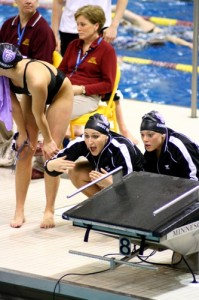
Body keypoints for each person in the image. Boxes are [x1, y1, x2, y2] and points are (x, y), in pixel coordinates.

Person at [0, 43, 73, 228]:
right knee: (24, 149)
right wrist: (22, 133)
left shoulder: (36, 80)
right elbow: (13, 105)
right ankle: (19, 210)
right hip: (30, 94)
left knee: (51, 154)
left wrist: (48, 141)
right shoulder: (5, 75)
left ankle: (49, 210)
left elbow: (39, 115)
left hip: (59, 93)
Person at [51, 0, 138, 143]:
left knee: (56, 112)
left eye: (83, 25)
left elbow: (108, 85)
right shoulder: (74, 45)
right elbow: (62, 71)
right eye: (77, 24)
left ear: (96, 26)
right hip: (66, 90)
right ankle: (47, 150)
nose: (78, 28)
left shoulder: (106, 50)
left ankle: (52, 151)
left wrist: (82, 89)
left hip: (87, 97)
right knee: (37, 104)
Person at [0, 0, 56, 176]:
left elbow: (43, 68)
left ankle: (23, 138)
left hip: (32, 83)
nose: (29, 1)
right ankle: (7, 142)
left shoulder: (43, 30)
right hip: (11, 79)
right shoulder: (9, 25)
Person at [45, 113, 144, 197]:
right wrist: (50, 165)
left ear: (106, 137)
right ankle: (102, 206)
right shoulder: (82, 142)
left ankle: (118, 208)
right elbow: (53, 167)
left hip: (138, 188)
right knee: (76, 170)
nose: (90, 142)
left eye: (95, 136)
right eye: (86, 135)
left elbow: (130, 186)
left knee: (112, 183)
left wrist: (112, 183)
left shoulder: (121, 148)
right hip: (110, 181)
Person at [51, 0, 128, 56]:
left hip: (100, 28)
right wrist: (54, 34)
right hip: (69, 29)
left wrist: (113, 26)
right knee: (68, 72)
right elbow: (58, 2)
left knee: (97, 72)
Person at [140, 110, 199, 180]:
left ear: (162, 133)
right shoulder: (151, 147)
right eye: (142, 135)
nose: (145, 139)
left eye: (150, 135)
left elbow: (195, 180)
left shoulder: (180, 146)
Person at [112, 7, 193, 49]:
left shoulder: (139, 23)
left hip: (170, 34)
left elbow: (169, 38)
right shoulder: (130, 28)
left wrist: (187, 44)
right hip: (161, 35)